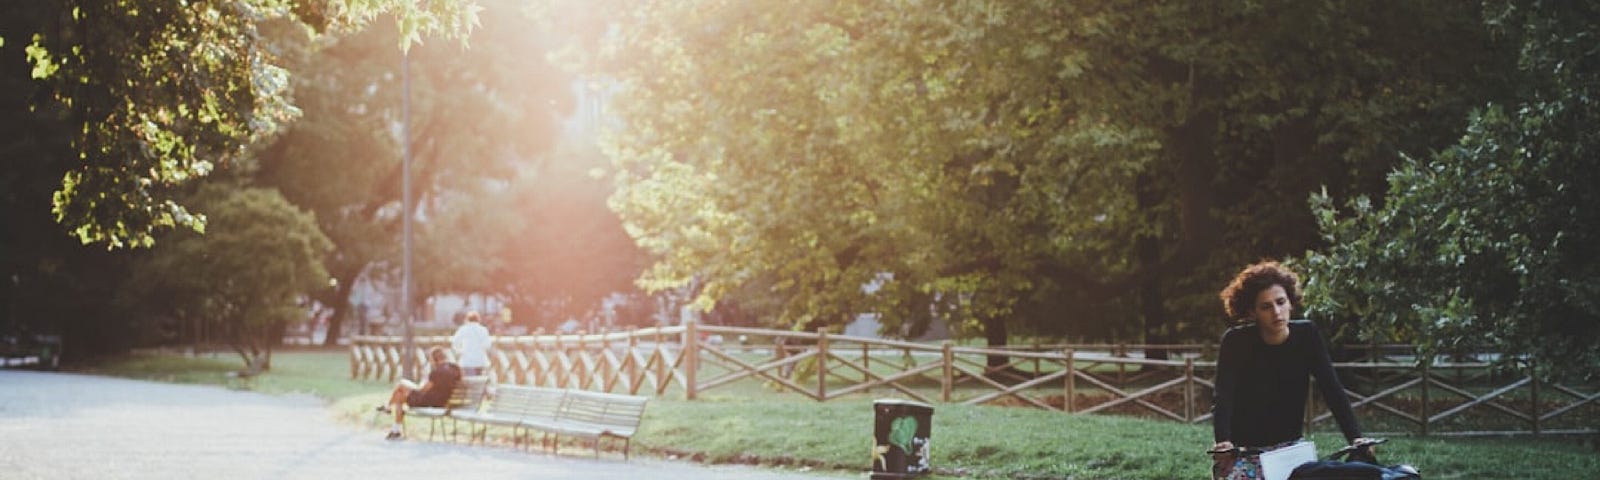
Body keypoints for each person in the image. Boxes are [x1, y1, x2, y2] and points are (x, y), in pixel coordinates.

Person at [1210, 261, 1371, 480]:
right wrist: (1223, 442)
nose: (1276, 312)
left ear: (1290, 303)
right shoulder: (1236, 342)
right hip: (1246, 451)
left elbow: (1332, 388)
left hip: (1291, 450)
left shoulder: (1307, 335)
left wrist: (1356, 438)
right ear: (1252, 312)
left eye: (1280, 302)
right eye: (1266, 307)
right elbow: (1223, 397)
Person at [378, 346, 461, 440]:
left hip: (428, 402)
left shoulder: (436, 372)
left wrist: (424, 379)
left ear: (434, 359)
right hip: (442, 402)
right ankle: (394, 428)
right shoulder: (455, 369)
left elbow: (422, 390)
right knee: (400, 393)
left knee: (400, 389)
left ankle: (389, 411)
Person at [451, 311, 492, 377]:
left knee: (469, 381)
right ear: (478, 320)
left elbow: (455, 342)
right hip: (480, 360)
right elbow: (488, 345)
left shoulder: (463, 329)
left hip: (466, 360)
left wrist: (459, 351)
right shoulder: (483, 330)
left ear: (467, 319)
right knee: (480, 380)